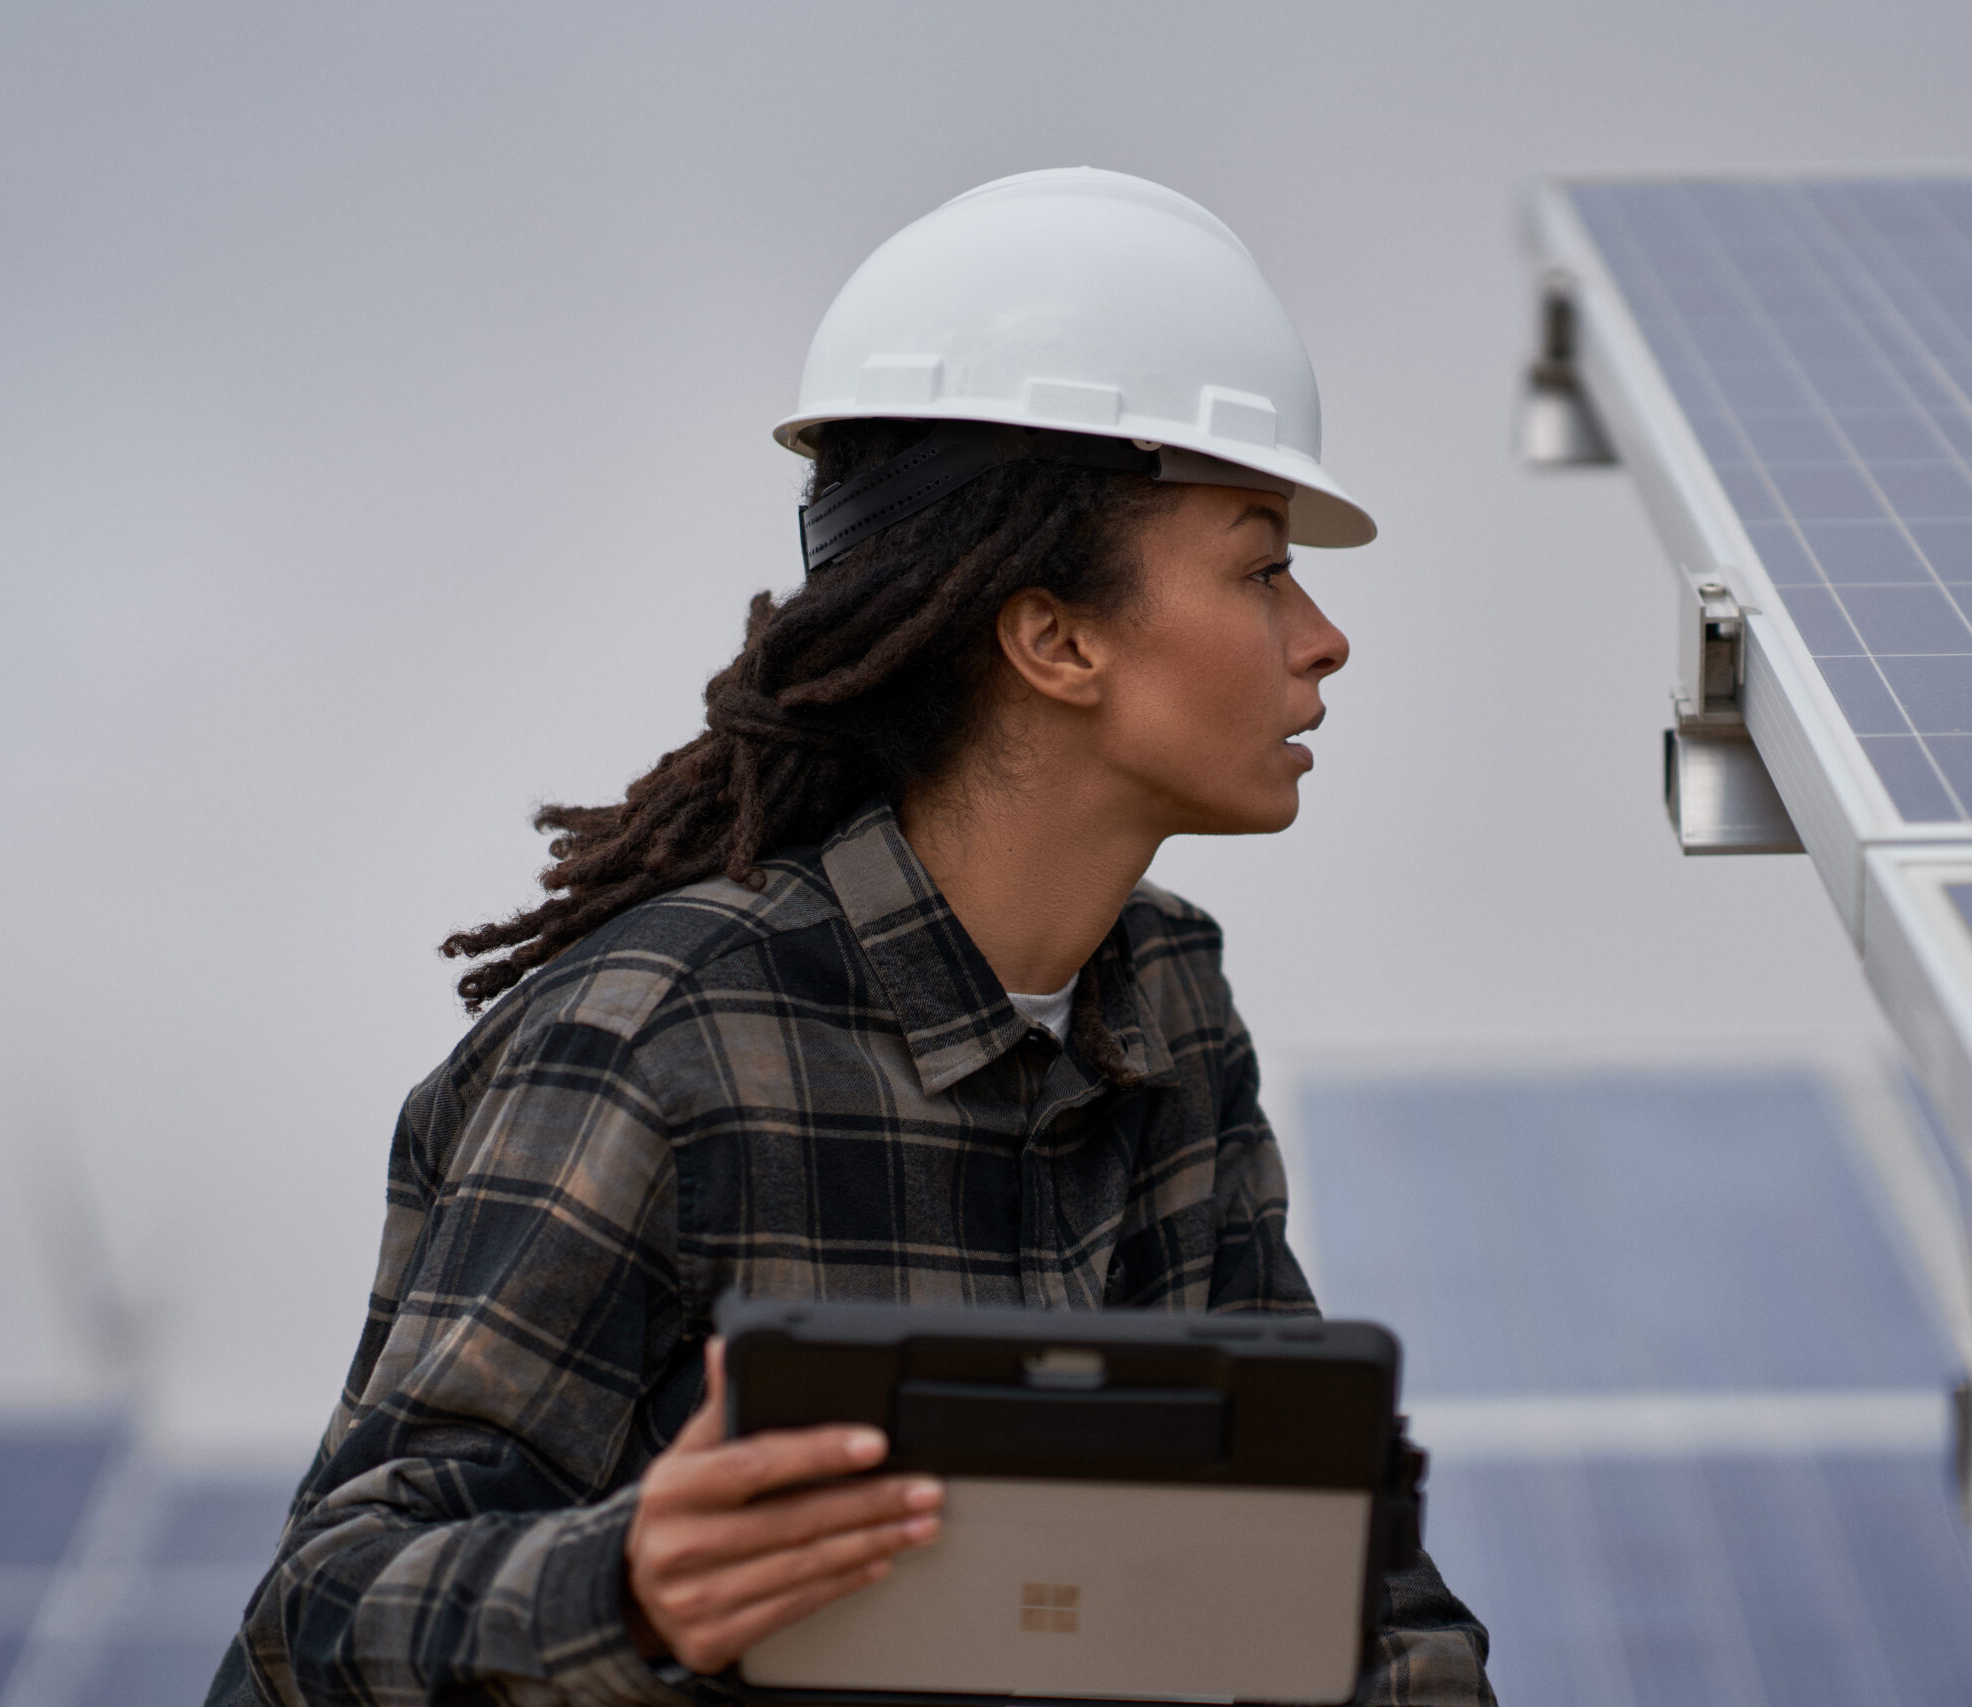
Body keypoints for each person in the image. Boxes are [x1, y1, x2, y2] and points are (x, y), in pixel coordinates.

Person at [208, 167, 1494, 1707]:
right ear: (1055, 638)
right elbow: (322, 1612)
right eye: (1262, 563)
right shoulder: (659, 1036)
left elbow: (1321, 1567)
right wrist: (625, 1590)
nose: (1324, 633)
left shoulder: (1167, 1004)